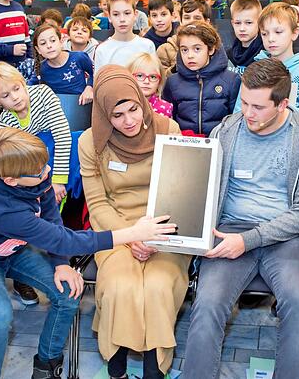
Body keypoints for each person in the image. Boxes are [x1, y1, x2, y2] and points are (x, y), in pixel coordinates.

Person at [0, 127, 177, 379]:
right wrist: (133, 233)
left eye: (46, 163)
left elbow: (51, 216)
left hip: (14, 251)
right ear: (11, 180)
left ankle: (46, 367)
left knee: (67, 294)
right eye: (40, 171)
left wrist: (61, 264)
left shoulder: (36, 173)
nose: (48, 172)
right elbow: (63, 239)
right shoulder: (2, 209)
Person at [183, 59, 299, 379]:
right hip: (231, 228)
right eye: (245, 102)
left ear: (283, 104)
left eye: (259, 107)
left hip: (289, 236)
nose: (248, 113)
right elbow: (204, 187)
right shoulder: (227, 130)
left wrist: (248, 240)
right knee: (207, 304)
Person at [77, 66, 186, 379]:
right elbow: (97, 203)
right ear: (103, 115)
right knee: (120, 286)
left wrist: (152, 236)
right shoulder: (90, 143)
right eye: (118, 115)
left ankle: (154, 368)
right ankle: (117, 365)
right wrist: (130, 236)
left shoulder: (168, 129)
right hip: (116, 228)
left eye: (134, 109)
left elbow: (181, 192)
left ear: (143, 101)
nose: (129, 121)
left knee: (157, 286)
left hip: (166, 226)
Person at [0, 62, 71, 203]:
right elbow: (20, 157)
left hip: (61, 154)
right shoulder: (5, 120)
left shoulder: (43, 94)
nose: (14, 97)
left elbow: (62, 137)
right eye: (5, 96)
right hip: (37, 163)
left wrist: (58, 180)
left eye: (16, 88)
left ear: (23, 82)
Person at [234, 3, 299, 124]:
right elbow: (238, 113)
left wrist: (277, 108)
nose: (271, 39)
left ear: (295, 33)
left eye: (278, 32)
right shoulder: (253, 69)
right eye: (265, 34)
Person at [163, 21, 240, 136]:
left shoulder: (231, 80)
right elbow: (169, 119)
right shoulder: (173, 82)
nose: (190, 55)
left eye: (197, 49)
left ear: (211, 49)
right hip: (184, 145)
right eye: (184, 50)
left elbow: (236, 120)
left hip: (218, 144)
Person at [94, 0, 156, 72]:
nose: (122, 19)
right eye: (116, 14)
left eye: (127, 13)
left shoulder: (147, 46)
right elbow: (99, 83)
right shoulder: (102, 50)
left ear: (135, 15)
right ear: (109, 17)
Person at [33, 23, 94, 103]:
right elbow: (28, 88)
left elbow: (95, 73)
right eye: (43, 43)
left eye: (53, 41)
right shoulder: (41, 69)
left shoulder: (79, 57)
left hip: (81, 108)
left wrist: (89, 87)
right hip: (57, 111)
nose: (49, 46)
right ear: (38, 50)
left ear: (61, 41)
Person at [157, 0, 212, 71]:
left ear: (207, 22)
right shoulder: (165, 49)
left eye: (197, 18)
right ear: (181, 21)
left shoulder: (213, 47)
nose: (191, 22)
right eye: (187, 18)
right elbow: (162, 79)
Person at [127, 52, 172, 117]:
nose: (146, 81)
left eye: (153, 77)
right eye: (140, 76)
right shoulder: (122, 105)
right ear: (129, 76)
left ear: (160, 81)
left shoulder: (165, 108)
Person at [227, 0, 266, 74]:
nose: (242, 28)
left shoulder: (266, 54)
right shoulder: (228, 55)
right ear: (232, 24)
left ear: (259, 23)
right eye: (237, 23)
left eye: (248, 23)